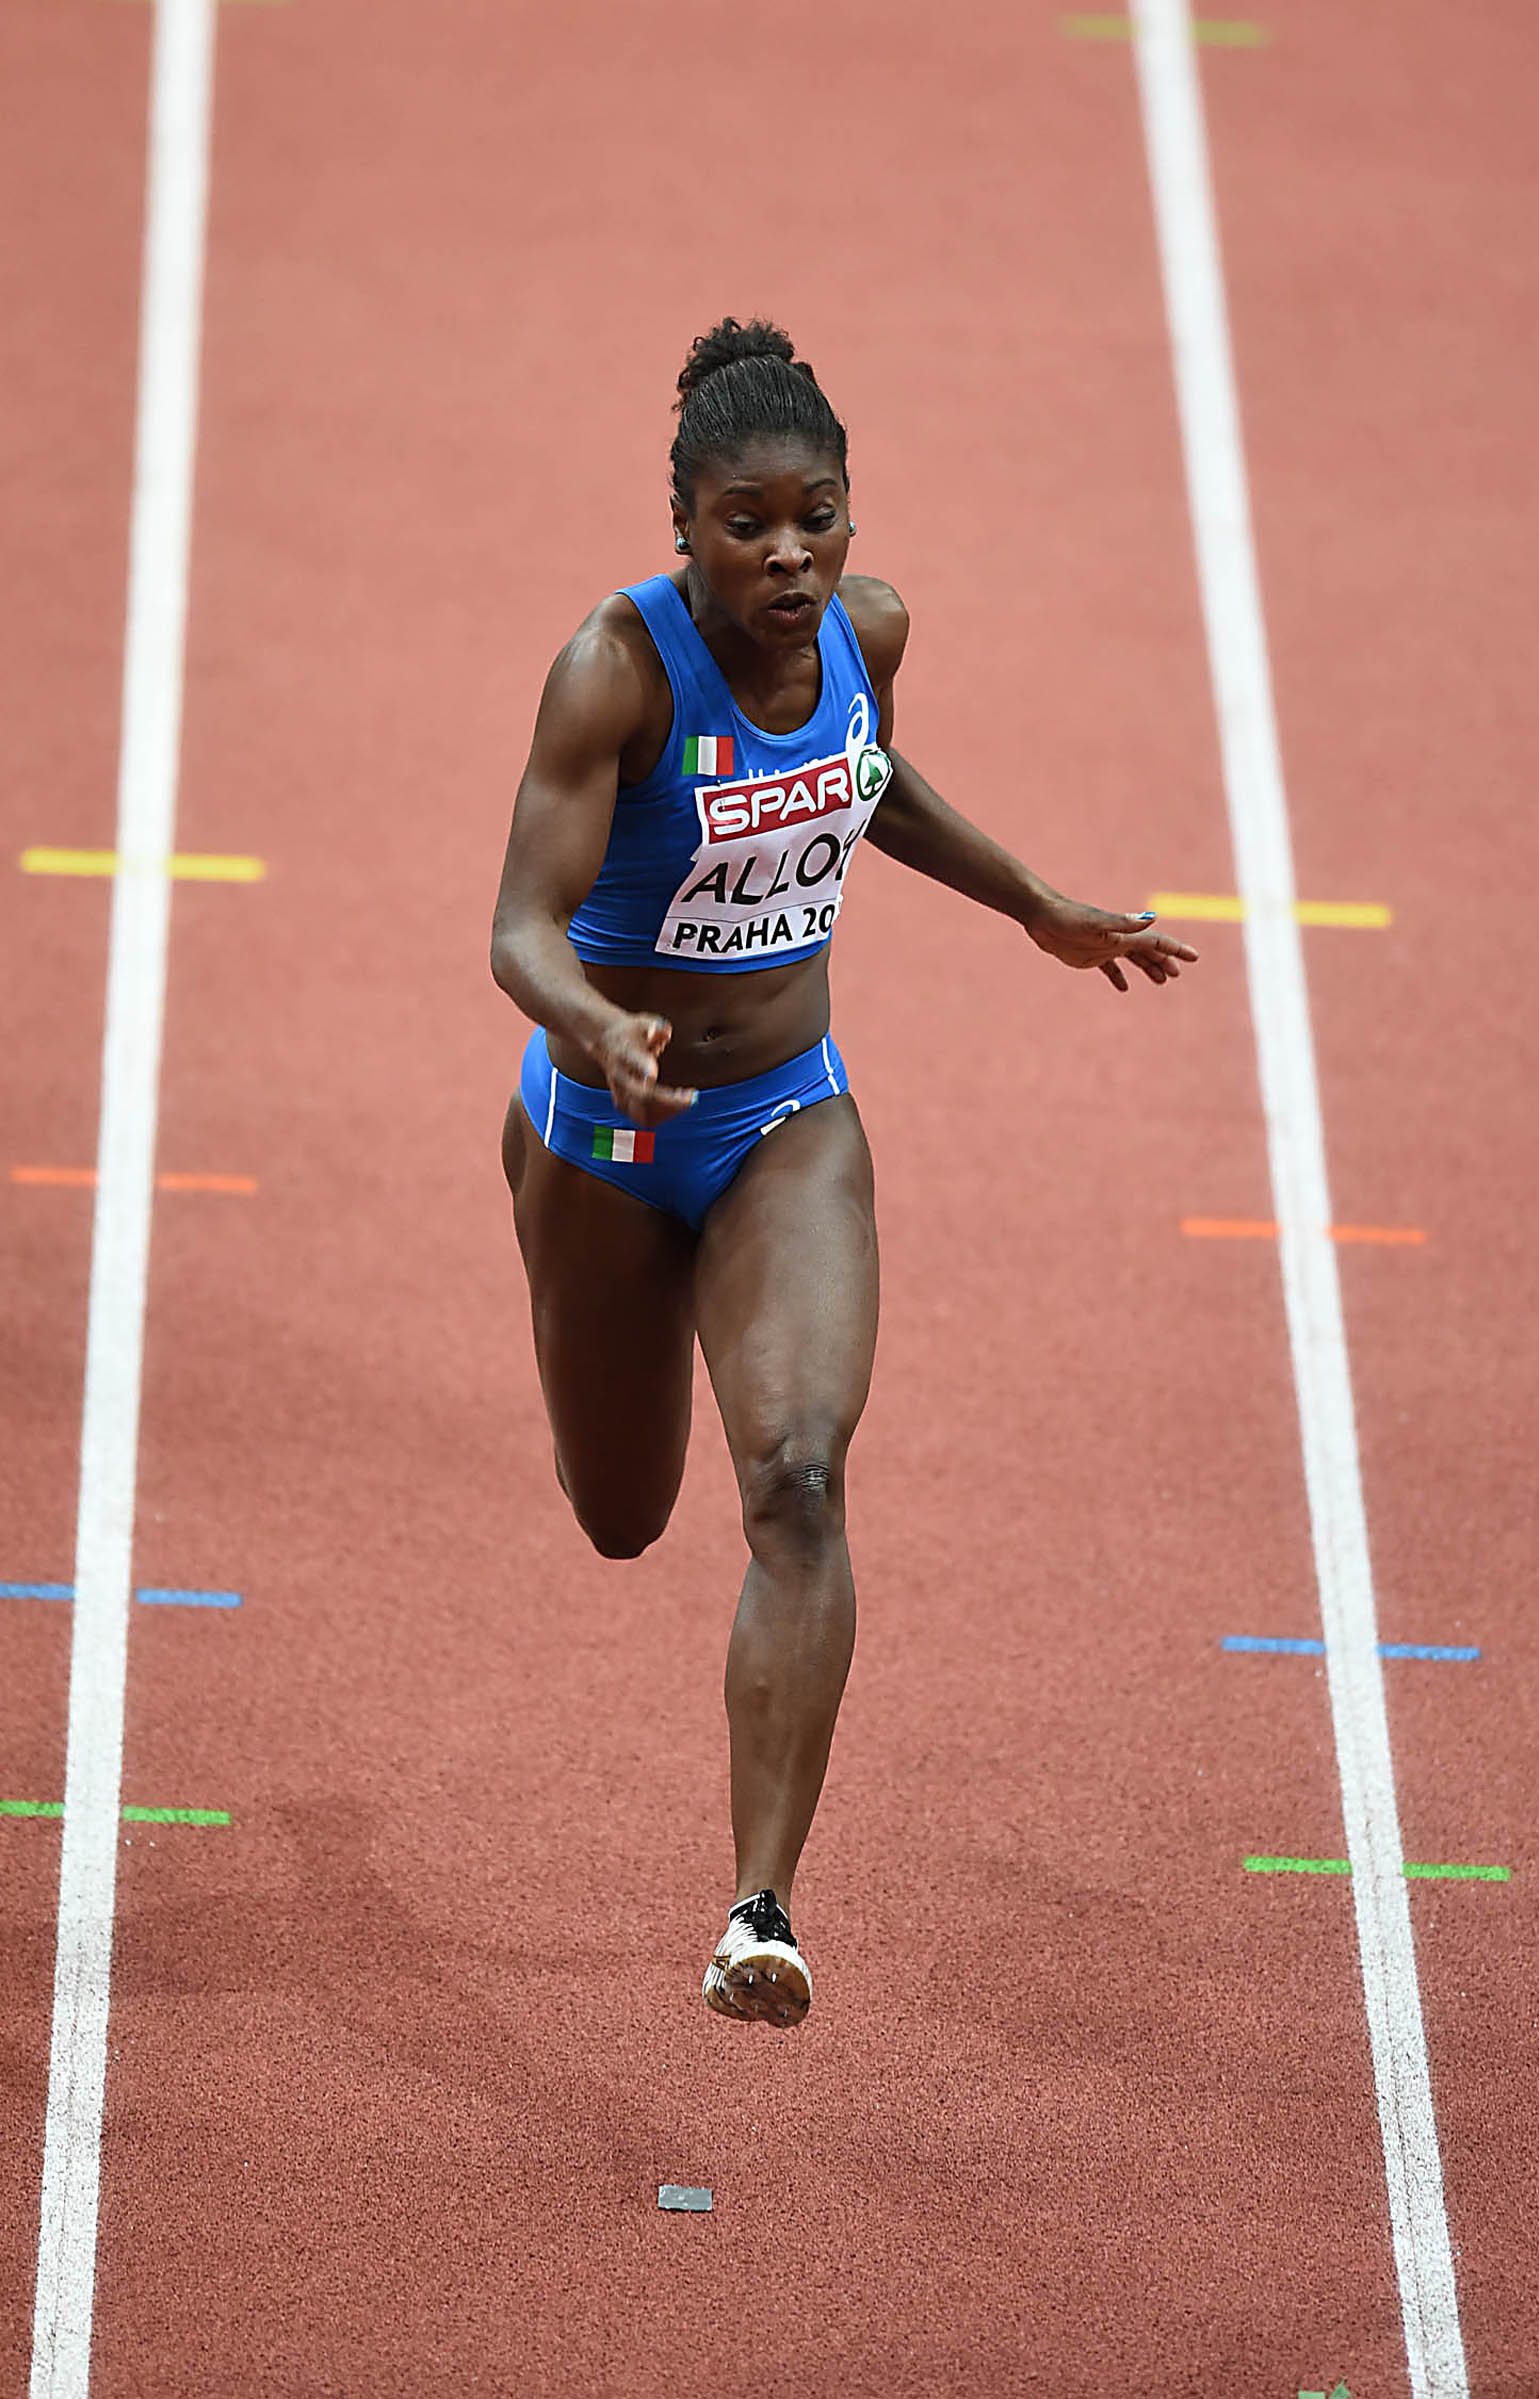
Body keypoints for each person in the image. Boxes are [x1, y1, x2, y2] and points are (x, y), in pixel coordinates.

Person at [491, 318, 1197, 2029]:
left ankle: (759, 1911)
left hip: (783, 1121)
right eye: (747, 525)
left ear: (850, 517)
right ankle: (614, 1361)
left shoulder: (866, 632)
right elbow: (519, 926)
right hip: (605, 1136)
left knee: (798, 1483)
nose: (789, 556)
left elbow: (865, 785)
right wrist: (594, 1024)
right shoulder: (615, 670)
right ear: (684, 526)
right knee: (620, 1518)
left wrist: (1031, 901)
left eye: (817, 518)